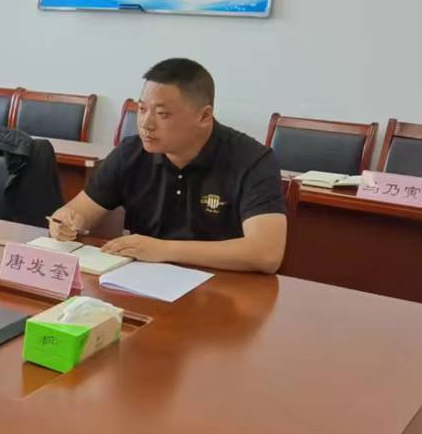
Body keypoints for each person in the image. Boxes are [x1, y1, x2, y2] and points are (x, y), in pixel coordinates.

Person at [48, 57, 287, 273]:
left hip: (225, 288)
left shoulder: (252, 161)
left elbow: (266, 253)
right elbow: (79, 211)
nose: (146, 124)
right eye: (142, 109)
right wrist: (65, 222)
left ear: (204, 116)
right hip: (142, 281)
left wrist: (164, 249)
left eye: (162, 114)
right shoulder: (131, 152)